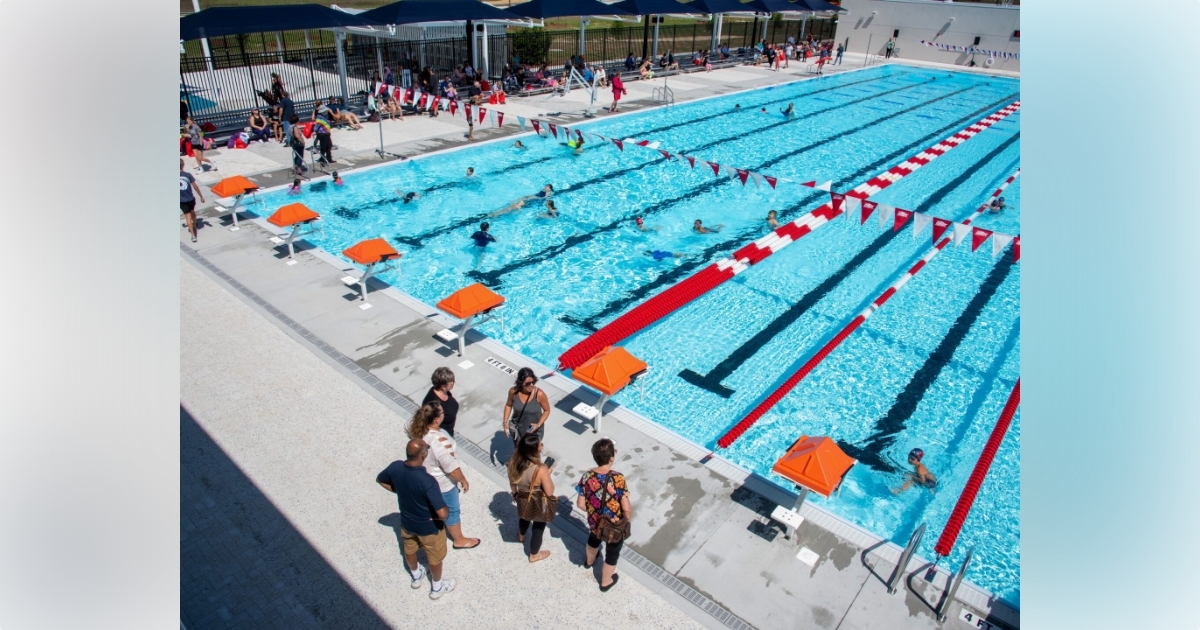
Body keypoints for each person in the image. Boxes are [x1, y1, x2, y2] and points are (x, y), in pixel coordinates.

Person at [376, 439, 457, 599]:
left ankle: (416, 576)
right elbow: (442, 513)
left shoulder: (396, 467)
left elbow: (380, 480)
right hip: (429, 528)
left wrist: (398, 490)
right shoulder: (427, 481)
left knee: (409, 549)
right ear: (423, 455)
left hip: (407, 523)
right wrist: (446, 511)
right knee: (434, 557)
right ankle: (437, 587)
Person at [407, 401, 481, 550]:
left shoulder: (420, 432)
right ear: (436, 419)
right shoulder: (439, 441)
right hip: (443, 484)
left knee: (431, 508)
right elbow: (451, 467)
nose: (443, 414)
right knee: (452, 510)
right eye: (441, 413)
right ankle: (459, 539)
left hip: (425, 478)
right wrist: (463, 480)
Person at [576, 438, 631, 592]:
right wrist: (626, 521)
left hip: (595, 523)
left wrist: (594, 511)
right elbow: (625, 506)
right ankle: (606, 581)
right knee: (612, 553)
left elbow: (580, 504)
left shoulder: (587, 476)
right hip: (613, 524)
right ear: (611, 459)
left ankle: (589, 560)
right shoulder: (617, 478)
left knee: (593, 541)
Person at [508, 433, 557, 563]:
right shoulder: (540, 469)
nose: (542, 445)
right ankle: (534, 555)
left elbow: (512, 483)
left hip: (522, 497)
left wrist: (514, 494)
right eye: (540, 444)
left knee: (524, 517)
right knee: (538, 529)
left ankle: (521, 536)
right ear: (535, 450)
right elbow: (550, 491)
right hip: (538, 501)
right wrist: (547, 473)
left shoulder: (513, 462)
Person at [502, 367, 551, 447]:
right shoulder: (513, 392)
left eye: (533, 382)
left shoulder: (539, 394)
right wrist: (505, 422)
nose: (531, 385)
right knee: (519, 451)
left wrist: (538, 424)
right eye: (528, 383)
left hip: (533, 431)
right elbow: (508, 405)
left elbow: (547, 410)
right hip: (518, 428)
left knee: (531, 454)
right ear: (521, 383)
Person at [422, 367, 460, 437]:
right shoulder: (433, 403)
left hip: (449, 432)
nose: (453, 382)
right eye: (452, 381)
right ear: (443, 386)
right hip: (442, 436)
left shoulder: (445, 392)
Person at [179, 158, 205, 243]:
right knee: (192, 211)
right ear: (183, 165)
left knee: (187, 218)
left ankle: (193, 236)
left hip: (181, 200)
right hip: (190, 198)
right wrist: (201, 196)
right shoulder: (188, 175)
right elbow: (195, 186)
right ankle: (194, 224)